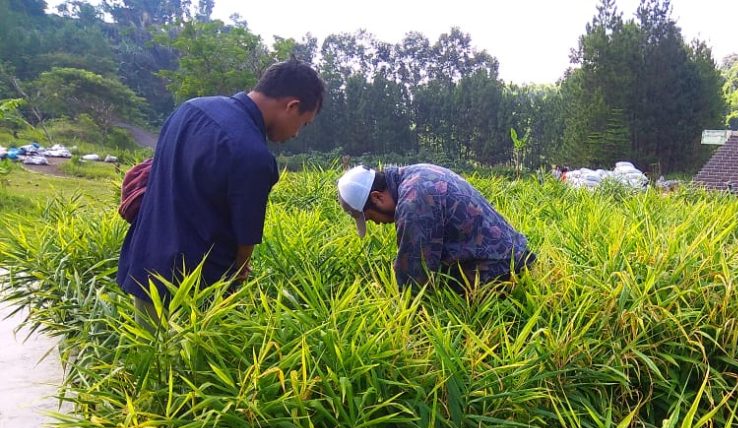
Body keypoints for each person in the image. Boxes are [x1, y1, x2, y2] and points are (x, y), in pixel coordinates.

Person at [117, 59, 325, 319]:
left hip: (145, 265)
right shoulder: (253, 155)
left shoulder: (189, 110)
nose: (296, 133)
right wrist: (235, 285)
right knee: (184, 360)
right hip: (194, 293)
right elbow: (244, 243)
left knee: (147, 353)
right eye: (303, 124)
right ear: (291, 106)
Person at [336, 163, 536, 293]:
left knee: (443, 300)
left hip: (501, 271)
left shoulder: (413, 202)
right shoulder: (416, 173)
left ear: (377, 197)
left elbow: (414, 283)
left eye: (371, 218)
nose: (378, 223)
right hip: (513, 255)